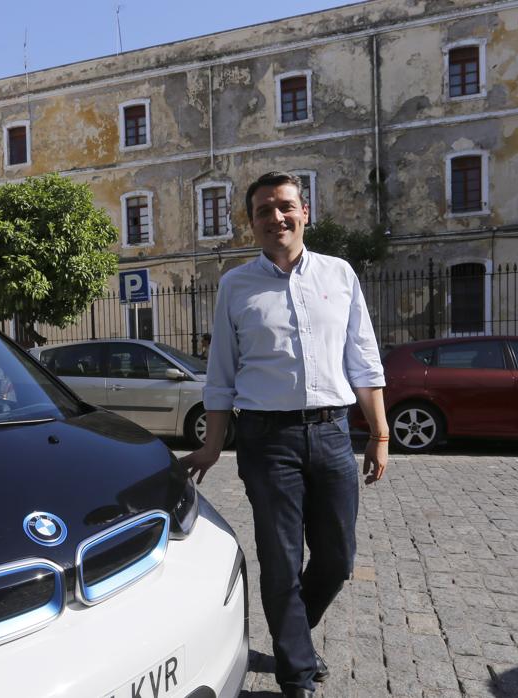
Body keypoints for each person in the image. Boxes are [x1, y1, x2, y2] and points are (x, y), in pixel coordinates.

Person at [181, 172, 390, 698]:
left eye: (285, 207)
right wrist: (212, 444)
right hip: (266, 441)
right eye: (264, 211)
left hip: (332, 434)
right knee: (280, 559)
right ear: (251, 223)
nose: (276, 217)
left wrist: (380, 434)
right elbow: (222, 374)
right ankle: (297, 672)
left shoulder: (340, 275)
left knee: (338, 558)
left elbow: (362, 358)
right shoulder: (235, 286)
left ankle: (291, 635)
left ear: (305, 212)